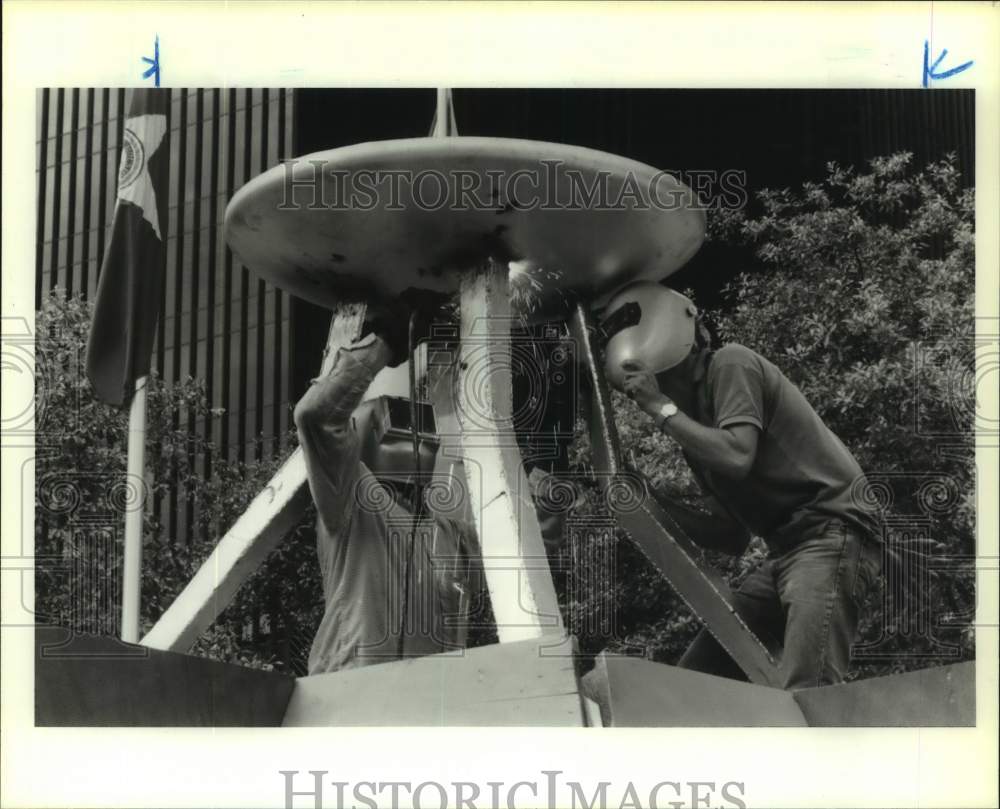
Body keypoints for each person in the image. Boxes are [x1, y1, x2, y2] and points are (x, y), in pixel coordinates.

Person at [605, 282, 883, 689]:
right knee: (696, 684)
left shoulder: (731, 364)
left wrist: (658, 407)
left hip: (832, 533)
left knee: (810, 689)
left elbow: (737, 456)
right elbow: (730, 534)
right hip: (785, 551)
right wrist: (652, 503)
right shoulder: (694, 432)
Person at [294, 300, 570, 675]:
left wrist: (544, 459)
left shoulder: (449, 535)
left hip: (419, 714)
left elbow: (530, 552)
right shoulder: (354, 504)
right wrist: (387, 341)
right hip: (352, 703)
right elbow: (315, 416)